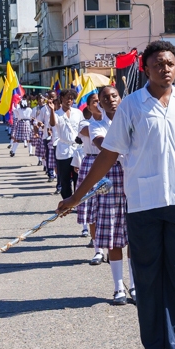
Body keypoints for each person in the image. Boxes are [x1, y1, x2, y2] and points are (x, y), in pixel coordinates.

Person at [58, 41, 175, 349]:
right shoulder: (132, 106)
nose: (166, 69)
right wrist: (75, 197)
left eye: (171, 63)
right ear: (145, 68)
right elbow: (107, 155)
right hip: (143, 204)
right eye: (159, 63)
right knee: (147, 278)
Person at [91, 85, 134, 303]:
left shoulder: (133, 116)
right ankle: (119, 287)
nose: (111, 100)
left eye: (114, 96)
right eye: (105, 98)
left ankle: (134, 285)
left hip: (135, 177)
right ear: (99, 102)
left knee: (135, 237)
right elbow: (105, 147)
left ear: (121, 97)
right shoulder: (96, 124)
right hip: (112, 178)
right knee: (114, 236)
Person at [78, 92, 108, 251]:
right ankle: (98, 249)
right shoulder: (85, 123)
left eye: (100, 101)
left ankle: (111, 247)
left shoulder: (111, 120)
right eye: (95, 102)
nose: (99, 104)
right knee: (92, 206)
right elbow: (90, 133)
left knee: (110, 206)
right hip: (92, 161)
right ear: (88, 107)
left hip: (111, 162)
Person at [49, 89, 84, 201]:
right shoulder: (57, 114)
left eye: (71, 98)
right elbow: (53, 123)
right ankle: (67, 201)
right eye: (67, 98)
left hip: (77, 149)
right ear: (61, 99)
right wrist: (52, 111)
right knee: (64, 178)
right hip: (63, 149)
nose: (69, 100)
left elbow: (82, 126)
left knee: (78, 177)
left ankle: (77, 201)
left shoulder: (78, 112)